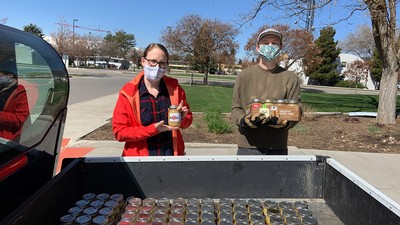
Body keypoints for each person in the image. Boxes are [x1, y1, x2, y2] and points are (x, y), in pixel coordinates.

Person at [112, 43, 193, 156]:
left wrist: (182, 118)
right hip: (140, 162)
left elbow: (188, 120)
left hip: (171, 157)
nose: (157, 67)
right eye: (153, 61)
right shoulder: (128, 93)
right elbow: (120, 133)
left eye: (162, 63)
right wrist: (153, 129)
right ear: (143, 61)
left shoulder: (175, 90)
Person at [231, 29, 301, 155]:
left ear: (280, 47)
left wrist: (285, 123)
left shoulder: (291, 78)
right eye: (265, 42)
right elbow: (236, 108)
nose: (270, 46)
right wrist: (244, 121)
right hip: (247, 146)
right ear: (258, 48)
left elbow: (295, 110)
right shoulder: (244, 76)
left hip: (277, 147)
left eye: (274, 43)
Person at [0, 70, 30, 142]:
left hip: (5, 137)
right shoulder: (2, 89)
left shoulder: (21, 92)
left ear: (10, 75)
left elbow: (19, 119)